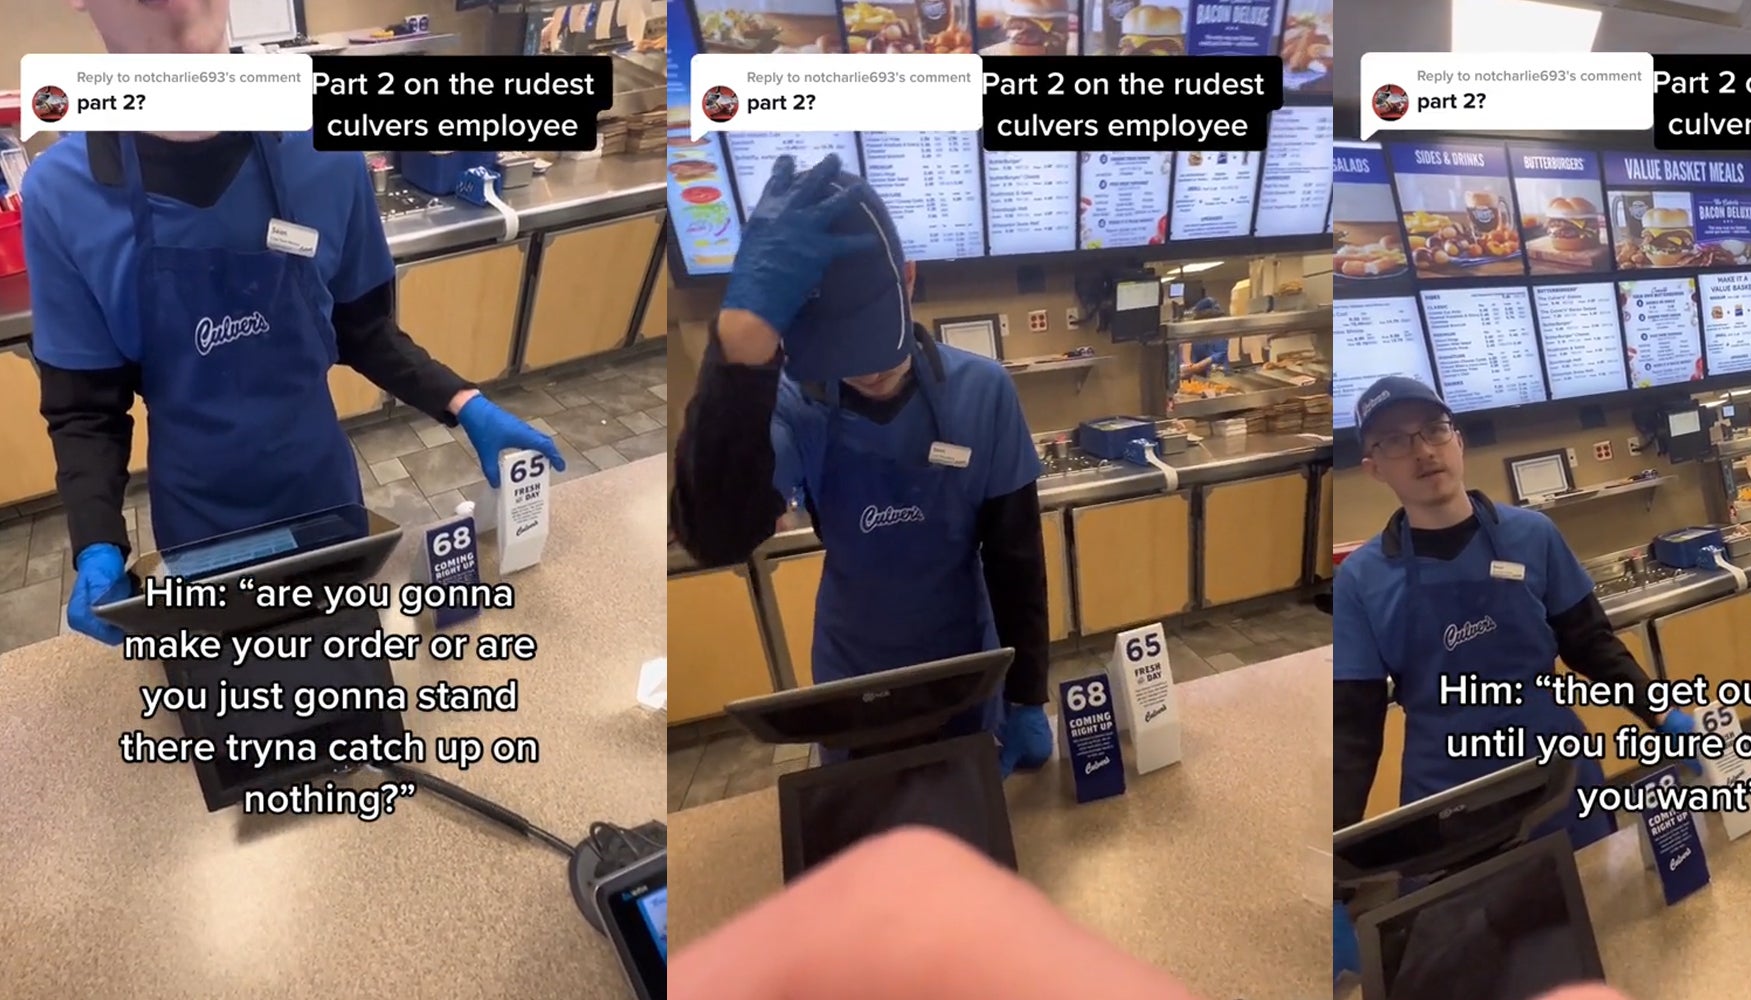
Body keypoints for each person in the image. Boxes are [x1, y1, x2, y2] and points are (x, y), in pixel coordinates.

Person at [23, 0, 563, 645]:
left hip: (323, 497)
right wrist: (98, 544)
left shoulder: (324, 151)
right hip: (200, 522)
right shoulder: (63, 193)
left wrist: (467, 404)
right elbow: (86, 407)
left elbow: (363, 328)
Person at [670, 154, 1052, 775]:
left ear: (908, 279)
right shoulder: (794, 408)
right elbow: (717, 536)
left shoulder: (983, 392)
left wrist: (1026, 693)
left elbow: (1016, 560)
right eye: (838, 353)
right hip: (854, 673)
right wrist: (738, 352)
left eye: (873, 342)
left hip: (964, 666)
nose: (866, 371)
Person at [1329, 376, 1695, 972]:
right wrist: (1336, 874)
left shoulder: (1533, 535)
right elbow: (1354, 730)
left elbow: (1591, 646)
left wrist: (1665, 715)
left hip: (1560, 785)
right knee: (1463, 969)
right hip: (1445, 810)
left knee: (1610, 948)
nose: (1422, 451)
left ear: (1459, 440)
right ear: (1374, 468)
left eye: (1434, 431)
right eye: (1396, 441)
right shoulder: (1362, 580)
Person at [672, 824, 1640, 1000]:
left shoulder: (971, 395)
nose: (1420, 451)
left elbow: (1012, 551)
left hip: (1526, 819)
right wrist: (1346, 860)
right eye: (1395, 438)